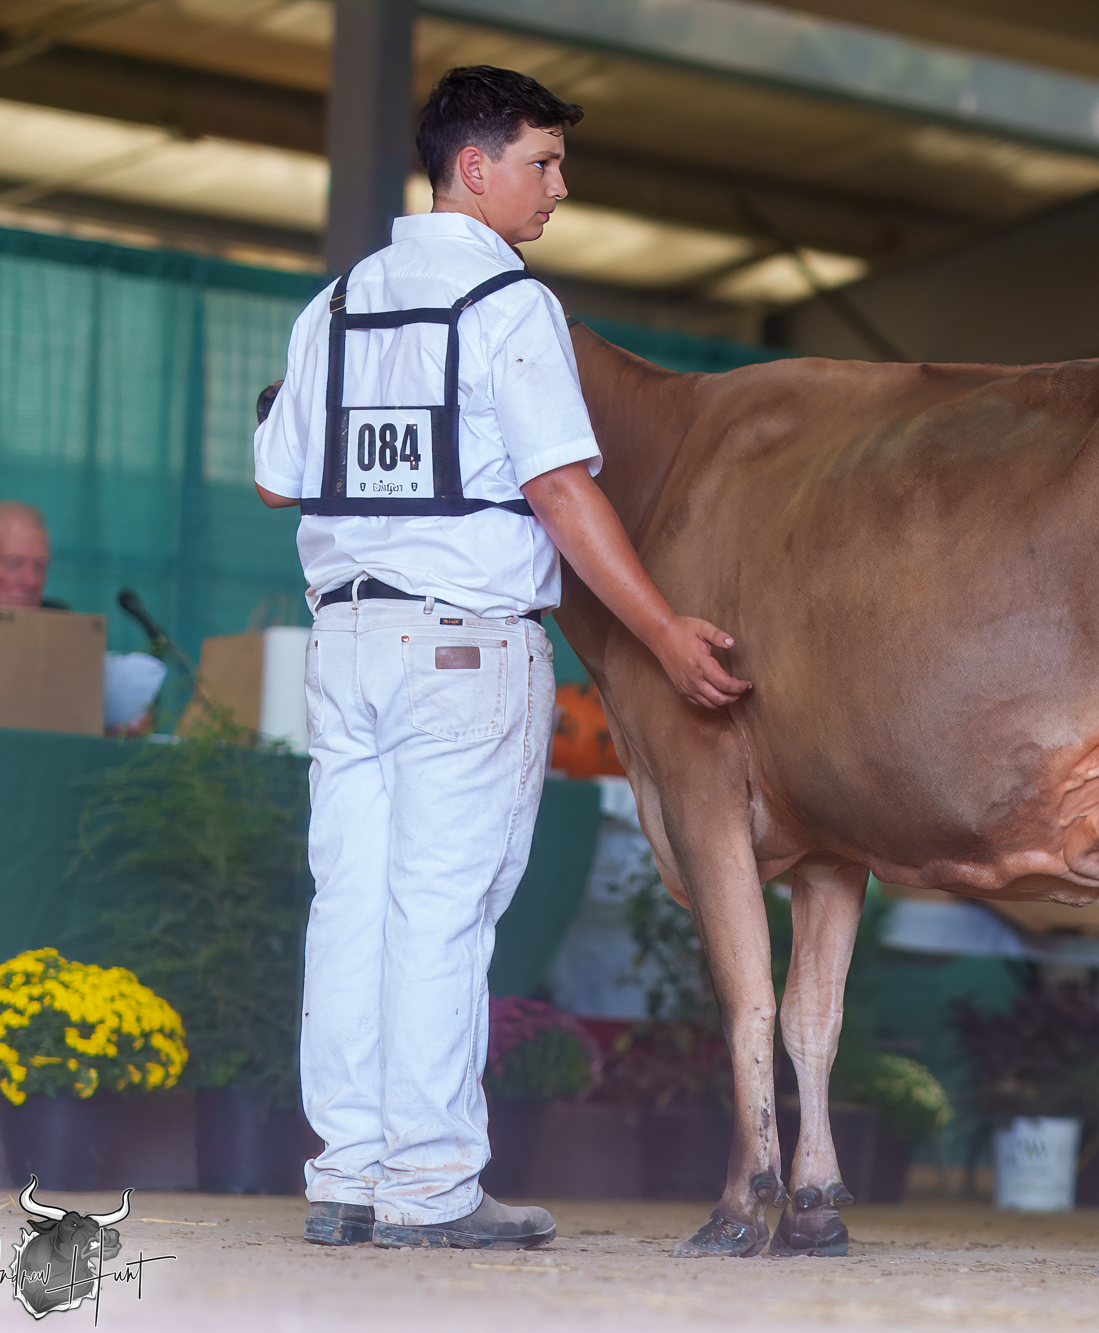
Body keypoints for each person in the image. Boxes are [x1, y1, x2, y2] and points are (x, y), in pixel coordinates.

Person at [253, 66, 750, 1252]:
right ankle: (429, 1185)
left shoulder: (335, 306)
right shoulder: (509, 305)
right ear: (473, 169)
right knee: (439, 912)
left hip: (346, 638)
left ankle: (348, 1173)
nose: (558, 188)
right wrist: (662, 630)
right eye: (542, 162)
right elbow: (560, 494)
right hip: (462, 645)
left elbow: (277, 478)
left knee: (351, 909)